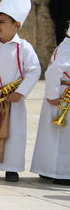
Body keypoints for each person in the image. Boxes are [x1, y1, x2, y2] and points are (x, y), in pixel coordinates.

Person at [0, 0, 42, 182]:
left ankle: (11, 168)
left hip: (13, 100)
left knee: (14, 133)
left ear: (17, 25)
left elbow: (34, 70)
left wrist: (20, 92)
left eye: (2, 22)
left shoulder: (24, 48)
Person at [30, 35, 70, 186]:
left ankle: (47, 170)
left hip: (61, 93)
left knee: (54, 137)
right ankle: (62, 173)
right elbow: (53, 72)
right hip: (62, 95)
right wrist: (53, 95)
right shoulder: (67, 48)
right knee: (63, 138)